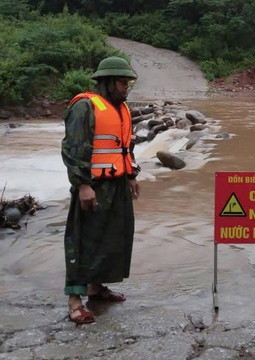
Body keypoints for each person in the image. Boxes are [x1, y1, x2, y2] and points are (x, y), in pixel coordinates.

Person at [61, 56, 141, 324]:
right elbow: (73, 150)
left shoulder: (121, 108)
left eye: (127, 83)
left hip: (117, 184)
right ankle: (75, 302)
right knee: (83, 240)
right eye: (121, 82)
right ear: (106, 82)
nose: (126, 87)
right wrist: (83, 185)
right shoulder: (84, 107)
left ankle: (96, 288)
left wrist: (131, 175)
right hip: (93, 185)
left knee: (113, 238)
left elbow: (124, 147)